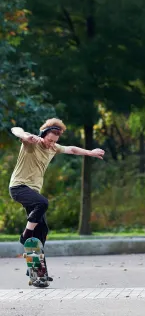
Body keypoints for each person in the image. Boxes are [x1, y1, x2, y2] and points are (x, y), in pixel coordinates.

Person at [9, 119, 106, 279]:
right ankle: (25, 235)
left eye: (55, 141)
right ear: (43, 134)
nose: (51, 144)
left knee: (42, 229)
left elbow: (72, 150)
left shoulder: (53, 148)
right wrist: (25, 136)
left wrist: (90, 152)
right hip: (19, 187)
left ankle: (36, 270)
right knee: (42, 203)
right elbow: (16, 128)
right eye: (49, 140)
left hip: (32, 191)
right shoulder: (31, 142)